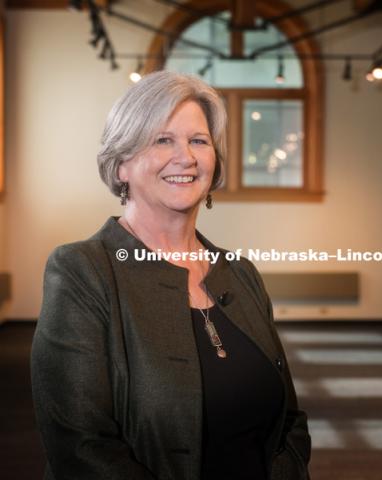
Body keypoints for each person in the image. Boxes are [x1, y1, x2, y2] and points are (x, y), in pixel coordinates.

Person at [31, 70, 311, 480]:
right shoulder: (82, 271)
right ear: (122, 164)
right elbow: (81, 447)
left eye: (199, 140)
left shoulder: (240, 272)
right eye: (163, 140)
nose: (186, 157)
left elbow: (289, 421)